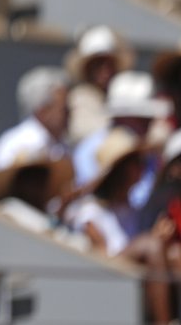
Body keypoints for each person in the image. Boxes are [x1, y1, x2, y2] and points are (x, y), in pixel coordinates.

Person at [68, 128, 181, 325]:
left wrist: (156, 240)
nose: (142, 168)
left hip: (138, 275)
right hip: (109, 279)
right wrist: (150, 243)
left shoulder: (135, 209)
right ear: (120, 170)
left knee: (175, 254)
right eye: (136, 163)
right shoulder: (90, 212)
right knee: (151, 245)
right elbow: (102, 257)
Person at [0, 66, 72, 173]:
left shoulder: (62, 146)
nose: (70, 114)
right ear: (43, 111)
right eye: (64, 109)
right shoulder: (21, 144)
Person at [65, 25, 133, 143]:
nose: (105, 71)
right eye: (98, 64)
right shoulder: (80, 97)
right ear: (87, 69)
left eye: (109, 64)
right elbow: (83, 130)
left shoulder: (120, 95)